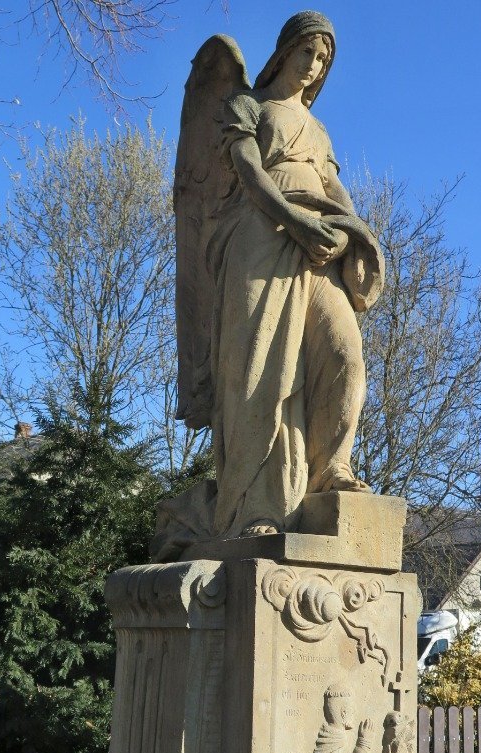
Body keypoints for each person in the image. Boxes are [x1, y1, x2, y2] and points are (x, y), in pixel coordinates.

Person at [173, 12, 384, 543]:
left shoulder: (317, 129)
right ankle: (254, 508)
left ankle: (330, 470)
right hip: (259, 240)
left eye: (323, 59)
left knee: (344, 355)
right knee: (259, 373)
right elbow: (248, 171)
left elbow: (334, 191)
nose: (313, 66)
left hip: (317, 249)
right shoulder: (247, 105)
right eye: (307, 52)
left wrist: (348, 231)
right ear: (285, 51)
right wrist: (294, 220)